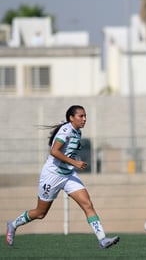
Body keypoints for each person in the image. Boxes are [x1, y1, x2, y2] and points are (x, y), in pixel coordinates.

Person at [6, 105, 120, 249]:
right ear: (71, 118)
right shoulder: (66, 131)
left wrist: (72, 165)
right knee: (40, 213)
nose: (84, 119)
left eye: (85, 116)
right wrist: (75, 162)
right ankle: (13, 224)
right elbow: (54, 151)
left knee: (88, 205)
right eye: (81, 116)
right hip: (52, 176)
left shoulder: (77, 131)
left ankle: (102, 239)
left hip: (68, 175)